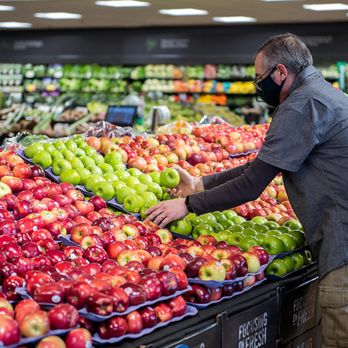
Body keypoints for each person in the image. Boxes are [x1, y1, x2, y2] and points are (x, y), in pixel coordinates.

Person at [145, 33, 348, 347]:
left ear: (281, 73)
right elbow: (266, 165)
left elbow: (253, 185)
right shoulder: (324, 94)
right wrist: (202, 183)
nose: (258, 85)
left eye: (260, 77)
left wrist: (188, 204)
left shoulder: (299, 107)